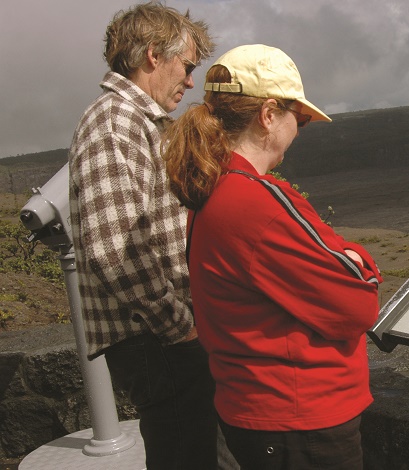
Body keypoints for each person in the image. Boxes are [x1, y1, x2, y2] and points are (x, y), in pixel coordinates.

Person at [163, 44, 382, 470]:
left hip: (262, 412)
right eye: (296, 118)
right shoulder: (255, 203)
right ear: (268, 115)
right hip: (298, 421)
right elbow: (358, 304)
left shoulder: (215, 190)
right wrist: (356, 258)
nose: (298, 130)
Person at [67, 3, 230, 469]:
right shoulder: (115, 121)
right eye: (187, 66)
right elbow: (111, 251)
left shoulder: (136, 120)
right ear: (154, 55)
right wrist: (180, 326)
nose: (191, 81)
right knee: (186, 455)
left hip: (160, 337)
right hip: (157, 340)